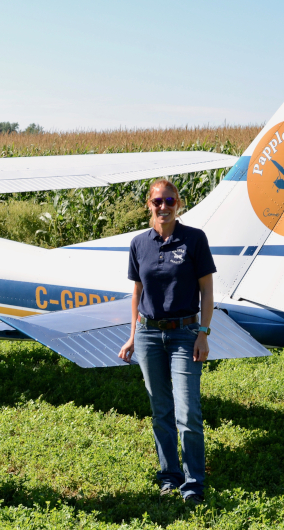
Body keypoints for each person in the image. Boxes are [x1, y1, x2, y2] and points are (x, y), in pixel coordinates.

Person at [118, 178, 215, 505]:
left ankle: (193, 484)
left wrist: (203, 332)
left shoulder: (194, 240)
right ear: (149, 204)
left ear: (179, 203)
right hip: (147, 334)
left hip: (184, 334)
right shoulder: (138, 244)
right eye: (158, 201)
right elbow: (137, 293)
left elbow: (207, 290)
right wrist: (133, 335)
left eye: (169, 201)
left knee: (187, 413)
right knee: (161, 411)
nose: (164, 207)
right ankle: (169, 476)